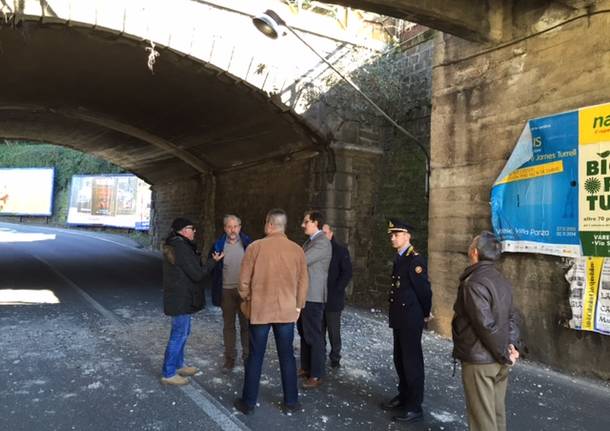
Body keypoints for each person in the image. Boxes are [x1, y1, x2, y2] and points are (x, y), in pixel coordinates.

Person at [233, 209, 308, 415]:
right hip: (286, 311)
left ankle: (248, 403)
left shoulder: (255, 247)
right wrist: (298, 305)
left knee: (255, 356)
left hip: (260, 310)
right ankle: (291, 402)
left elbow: (243, 281)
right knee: (287, 356)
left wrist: (247, 298)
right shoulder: (297, 250)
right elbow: (303, 282)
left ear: (270, 224)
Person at [452, 231, 520, 431]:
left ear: (474, 252)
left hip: (480, 360)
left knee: (483, 421)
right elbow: (513, 316)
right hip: (499, 359)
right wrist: (511, 347)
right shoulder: (502, 280)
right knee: (497, 416)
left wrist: (503, 354)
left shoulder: (473, 282)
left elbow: (485, 325)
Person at [380, 219, 432, 423]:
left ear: (408, 236)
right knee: (399, 358)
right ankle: (403, 396)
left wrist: (425, 313)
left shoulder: (414, 260)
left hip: (411, 318)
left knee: (412, 362)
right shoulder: (401, 257)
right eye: (391, 235)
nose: (393, 238)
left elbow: (424, 292)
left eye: (397, 234)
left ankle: (414, 405)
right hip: (400, 317)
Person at [161, 217, 213, 385]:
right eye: (192, 228)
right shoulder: (181, 247)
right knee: (178, 334)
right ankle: (168, 373)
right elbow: (197, 274)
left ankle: (178, 365)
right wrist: (214, 262)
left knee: (184, 332)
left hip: (183, 297)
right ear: (183, 230)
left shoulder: (179, 245)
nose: (194, 231)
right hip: (180, 299)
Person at [208, 214, 252, 371]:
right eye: (229, 226)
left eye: (235, 226)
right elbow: (210, 269)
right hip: (225, 290)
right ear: (225, 228)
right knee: (228, 326)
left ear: (240, 227)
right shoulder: (218, 245)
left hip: (244, 292)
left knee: (246, 326)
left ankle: (248, 358)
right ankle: (229, 359)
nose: (232, 230)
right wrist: (215, 262)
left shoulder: (249, 245)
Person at [297, 210, 332, 389]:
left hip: (314, 296)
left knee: (314, 335)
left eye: (306, 221)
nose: (303, 225)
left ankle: (316, 374)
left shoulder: (322, 243)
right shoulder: (310, 241)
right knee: (304, 332)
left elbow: (301, 260)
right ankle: (306, 367)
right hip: (305, 294)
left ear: (316, 222)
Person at [321, 223, 352, 368]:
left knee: (334, 330)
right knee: (319, 330)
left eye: (325, 233)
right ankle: (319, 355)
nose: (323, 236)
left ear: (331, 233)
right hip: (318, 297)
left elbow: (347, 273)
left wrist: (337, 289)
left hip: (333, 298)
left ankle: (335, 356)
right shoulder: (317, 250)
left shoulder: (340, 251)